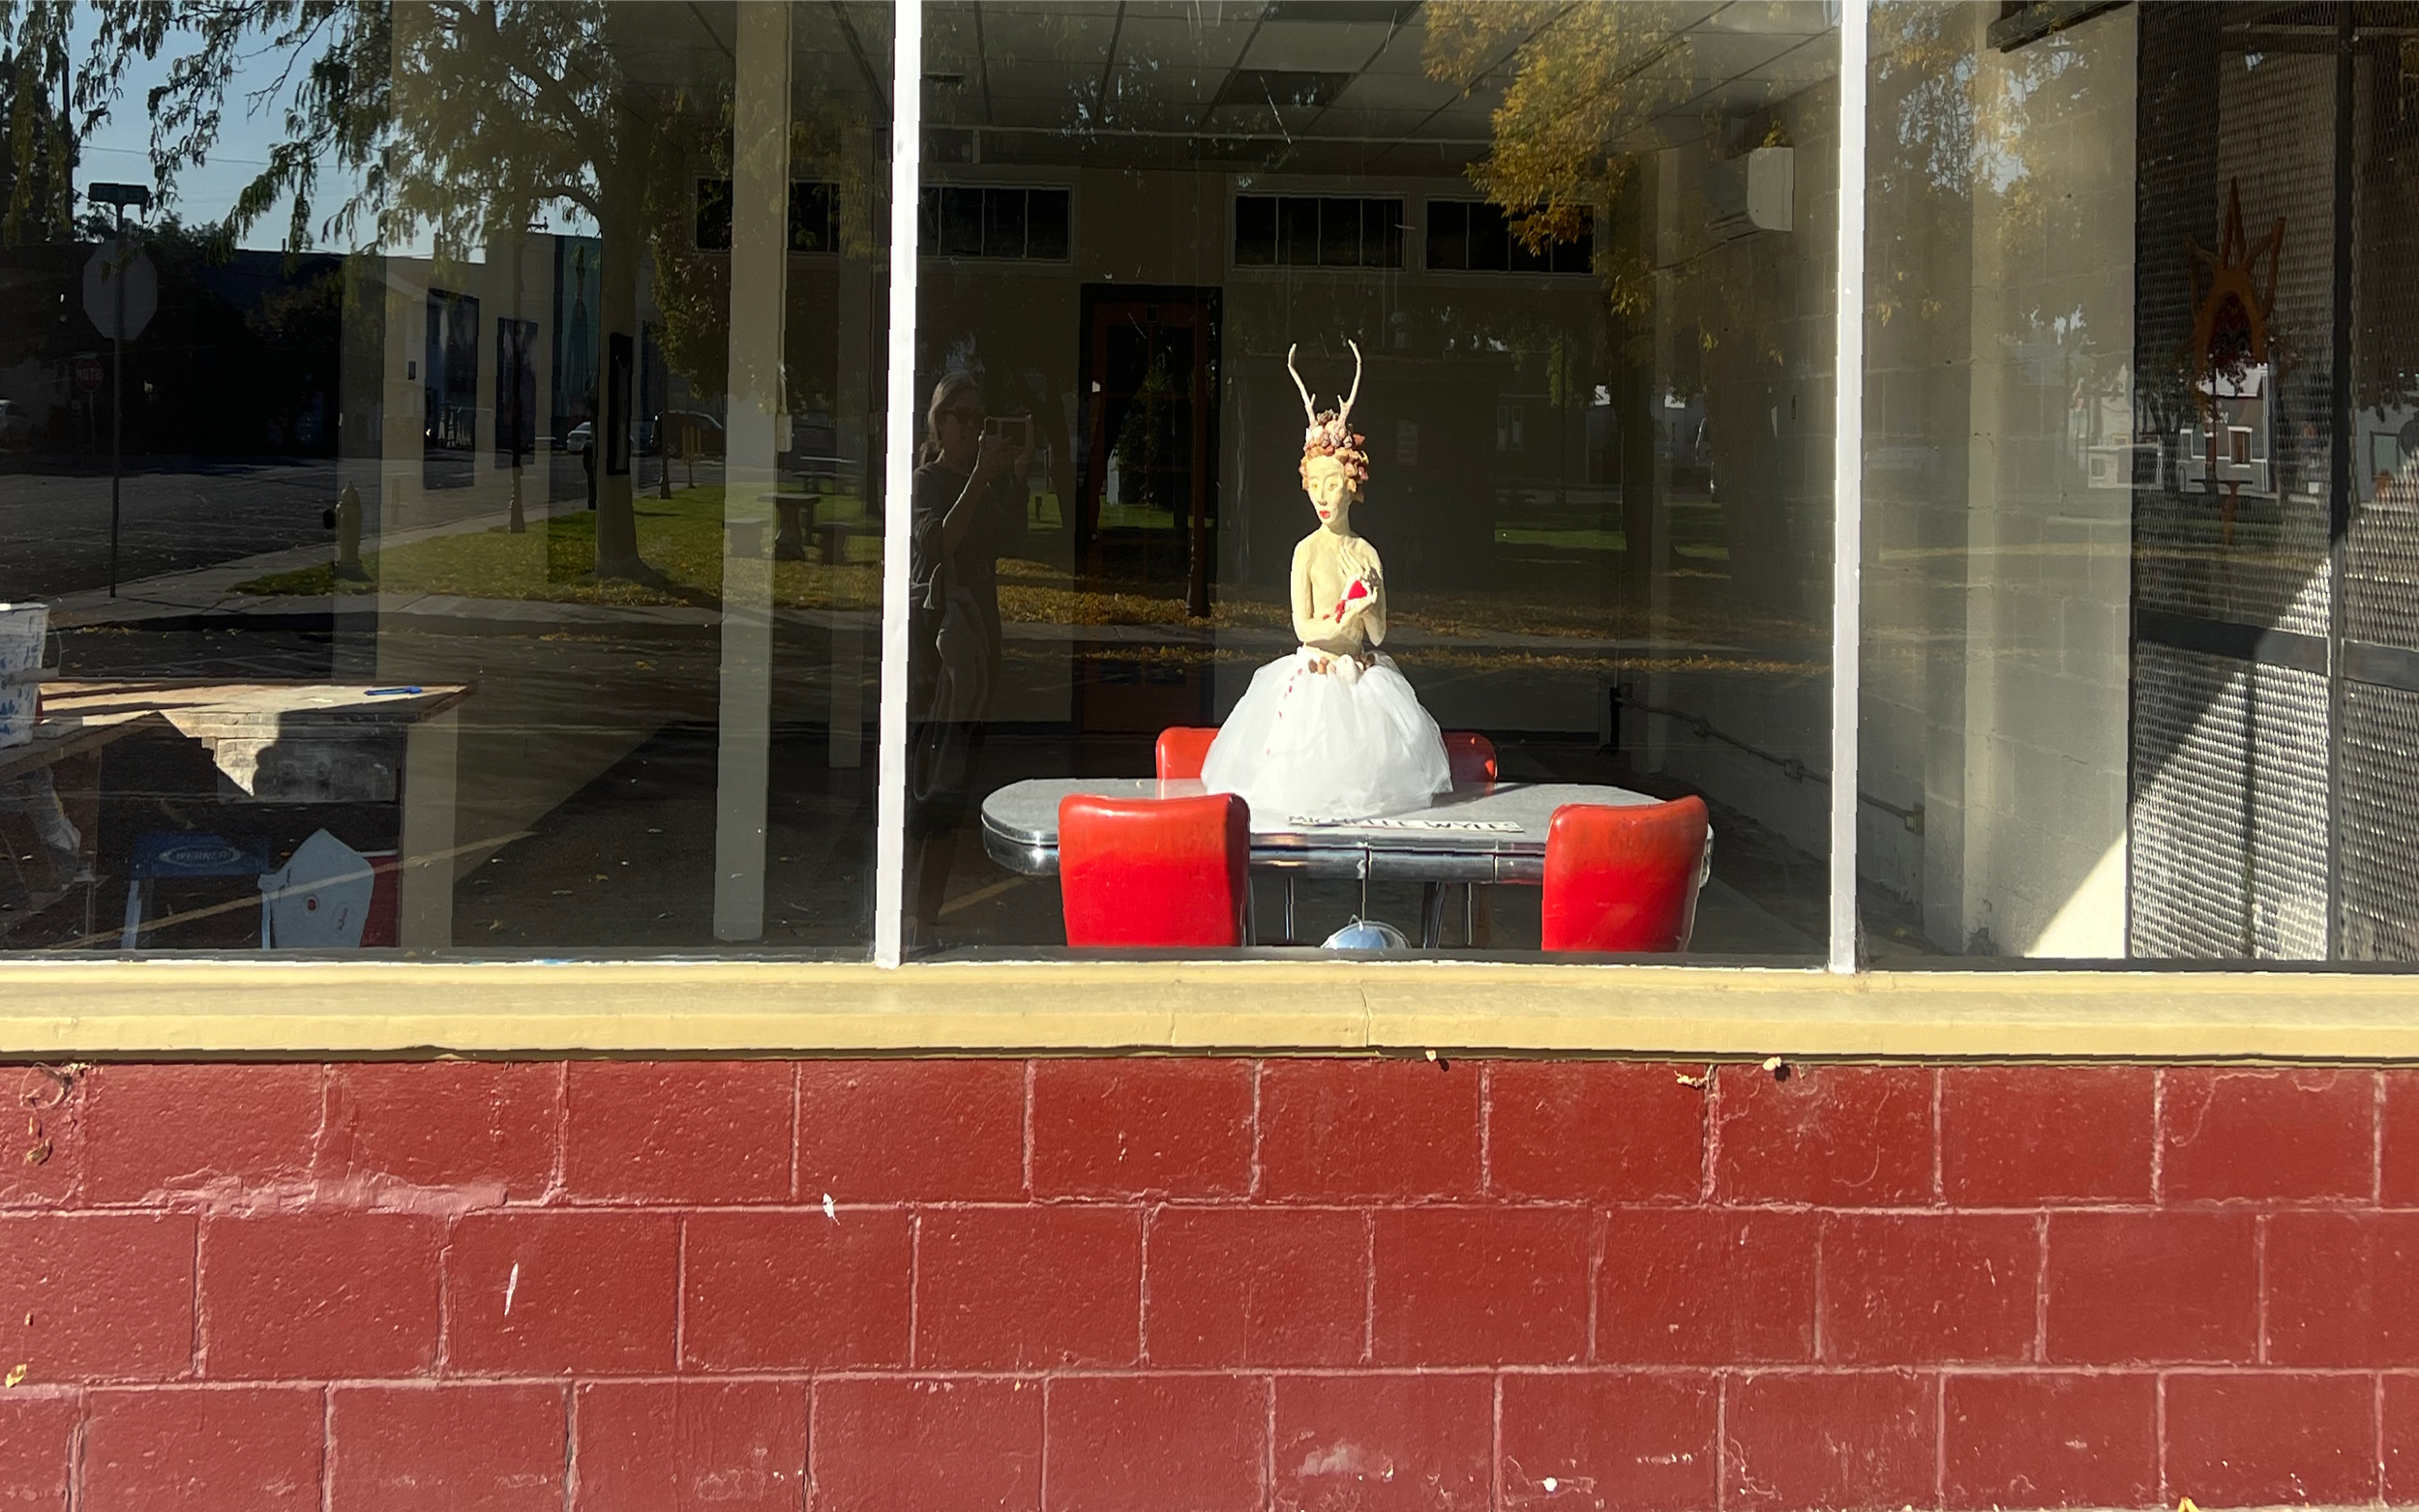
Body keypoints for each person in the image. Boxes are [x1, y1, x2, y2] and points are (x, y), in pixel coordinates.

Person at [1200, 341, 1451, 822]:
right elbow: (1303, 627)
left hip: (1361, 680)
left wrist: (1368, 608)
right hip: (1315, 680)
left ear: (1351, 487)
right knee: (1302, 784)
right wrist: (1342, 617)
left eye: (1332, 485)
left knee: (1368, 794)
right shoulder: (1306, 552)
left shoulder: (1367, 553)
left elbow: (1378, 634)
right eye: (1314, 485)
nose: (1322, 496)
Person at [906, 372, 1033, 934]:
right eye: (962, 416)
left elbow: (1013, 541)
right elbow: (937, 543)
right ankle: (905, 916)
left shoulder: (983, 483)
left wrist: (1017, 477)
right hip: (935, 652)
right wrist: (980, 478)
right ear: (939, 423)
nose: (973, 428)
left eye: (980, 418)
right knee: (927, 783)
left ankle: (926, 917)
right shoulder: (927, 481)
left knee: (956, 785)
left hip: (979, 647)